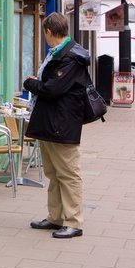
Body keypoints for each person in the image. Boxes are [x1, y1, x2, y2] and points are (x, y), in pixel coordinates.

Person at [23, 12, 90, 238]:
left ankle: (74, 222)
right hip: (50, 121)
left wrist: (31, 84)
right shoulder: (58, 54)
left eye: (44, 33)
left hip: (62, 123)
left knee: (69, 174)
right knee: (53, 173)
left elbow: (53, 89)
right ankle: (55, 217)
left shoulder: (69, 57)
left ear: (48, 32)